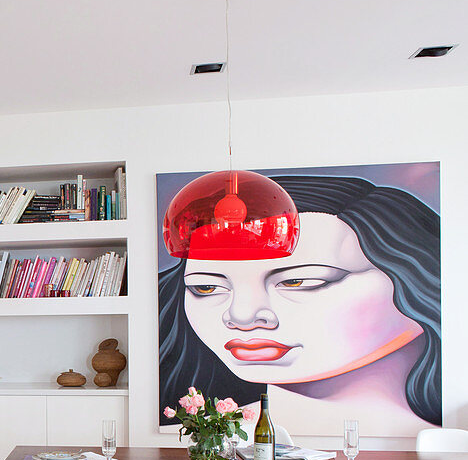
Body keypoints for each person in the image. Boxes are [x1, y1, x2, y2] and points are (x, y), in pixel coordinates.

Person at [159, 174, 440, 434]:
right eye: (206, 287)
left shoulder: (446, 450)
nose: (241, 316)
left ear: (416, 275)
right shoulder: (203, 439)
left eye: (299, 281)